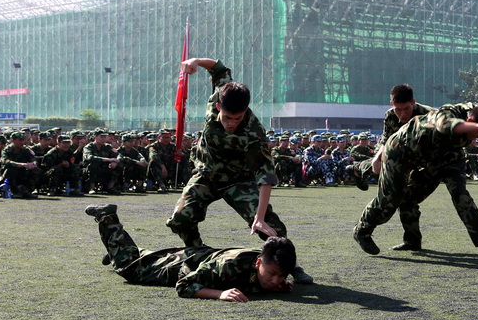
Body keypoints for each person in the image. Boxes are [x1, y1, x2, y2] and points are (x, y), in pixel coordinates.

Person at [166, 57, 312, 284]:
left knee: (271, 228)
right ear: (218, 107)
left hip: (238, 180)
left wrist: (259, 218)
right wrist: (195, 61)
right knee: (180, 219)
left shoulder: (254, 132)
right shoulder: (221, 94)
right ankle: (197, 253)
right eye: (227, 117)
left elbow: (265, 175)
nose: (232, 123)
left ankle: (290, 266)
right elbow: (218, 68)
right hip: (206, 176)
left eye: (238, 118)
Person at [353, 102, 478, 257]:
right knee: (392, 199)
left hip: (445, 157)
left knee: (460, 194)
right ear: (469, 120)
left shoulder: (474, 110)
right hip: (401, 152)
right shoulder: (445, 114)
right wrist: (477, 127)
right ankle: (363, 230)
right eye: (477, 133)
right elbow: (445, 125)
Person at [86, 204, 295, 301]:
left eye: (281, 276)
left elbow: (266, 276)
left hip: (198, 256)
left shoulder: (271, 259)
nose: (276, 280)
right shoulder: (227, 266)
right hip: (182, 266)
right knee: (130, 269)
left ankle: (121, 252)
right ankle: (107, 218)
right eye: (272, 274)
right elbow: (184, 285)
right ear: (258, 263)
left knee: (140, 260)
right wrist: (219, 294)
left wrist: (277, 283)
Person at [353, 83, 432, 190]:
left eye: (406, 108)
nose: (402, 113)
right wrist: (377, 158)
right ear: (391, 104)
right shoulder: (390, 116)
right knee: (382, 163)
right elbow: (386, 141)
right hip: (397, 148)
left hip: (421, 152)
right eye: (398, 109)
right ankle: (357, 169)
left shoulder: (429, 116)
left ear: (413, 102)